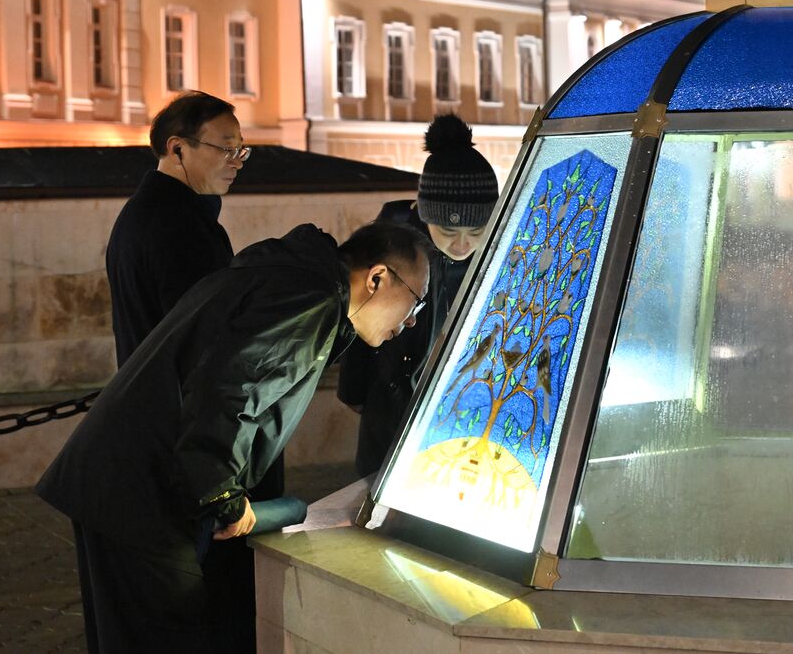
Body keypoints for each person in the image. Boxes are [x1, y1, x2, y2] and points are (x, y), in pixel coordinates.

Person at [37, 219, 433, 654]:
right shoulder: (309, 299)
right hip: (141, 494)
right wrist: (223, 497)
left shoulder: (293, 277)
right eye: (416, 300)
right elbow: (230, 389)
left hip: (121, 479)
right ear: (377, 278)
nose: (413, 320)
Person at [338, 114, 499, 476]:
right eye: (448, 231)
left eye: (476, 231)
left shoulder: (496, 256)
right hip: (391, 407)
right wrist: (354, 391)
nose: (462, 244)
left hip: (461, 415)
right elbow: (358, 320)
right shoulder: (392, 250)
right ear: (425, 216)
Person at [107, 90, 248, 368]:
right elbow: (206, 337)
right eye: (226, 149)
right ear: (177, 149)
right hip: (177, 392)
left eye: (240, 150)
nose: (237, 161)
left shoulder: (143, 212)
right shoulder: (179, 226)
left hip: (149, 387)